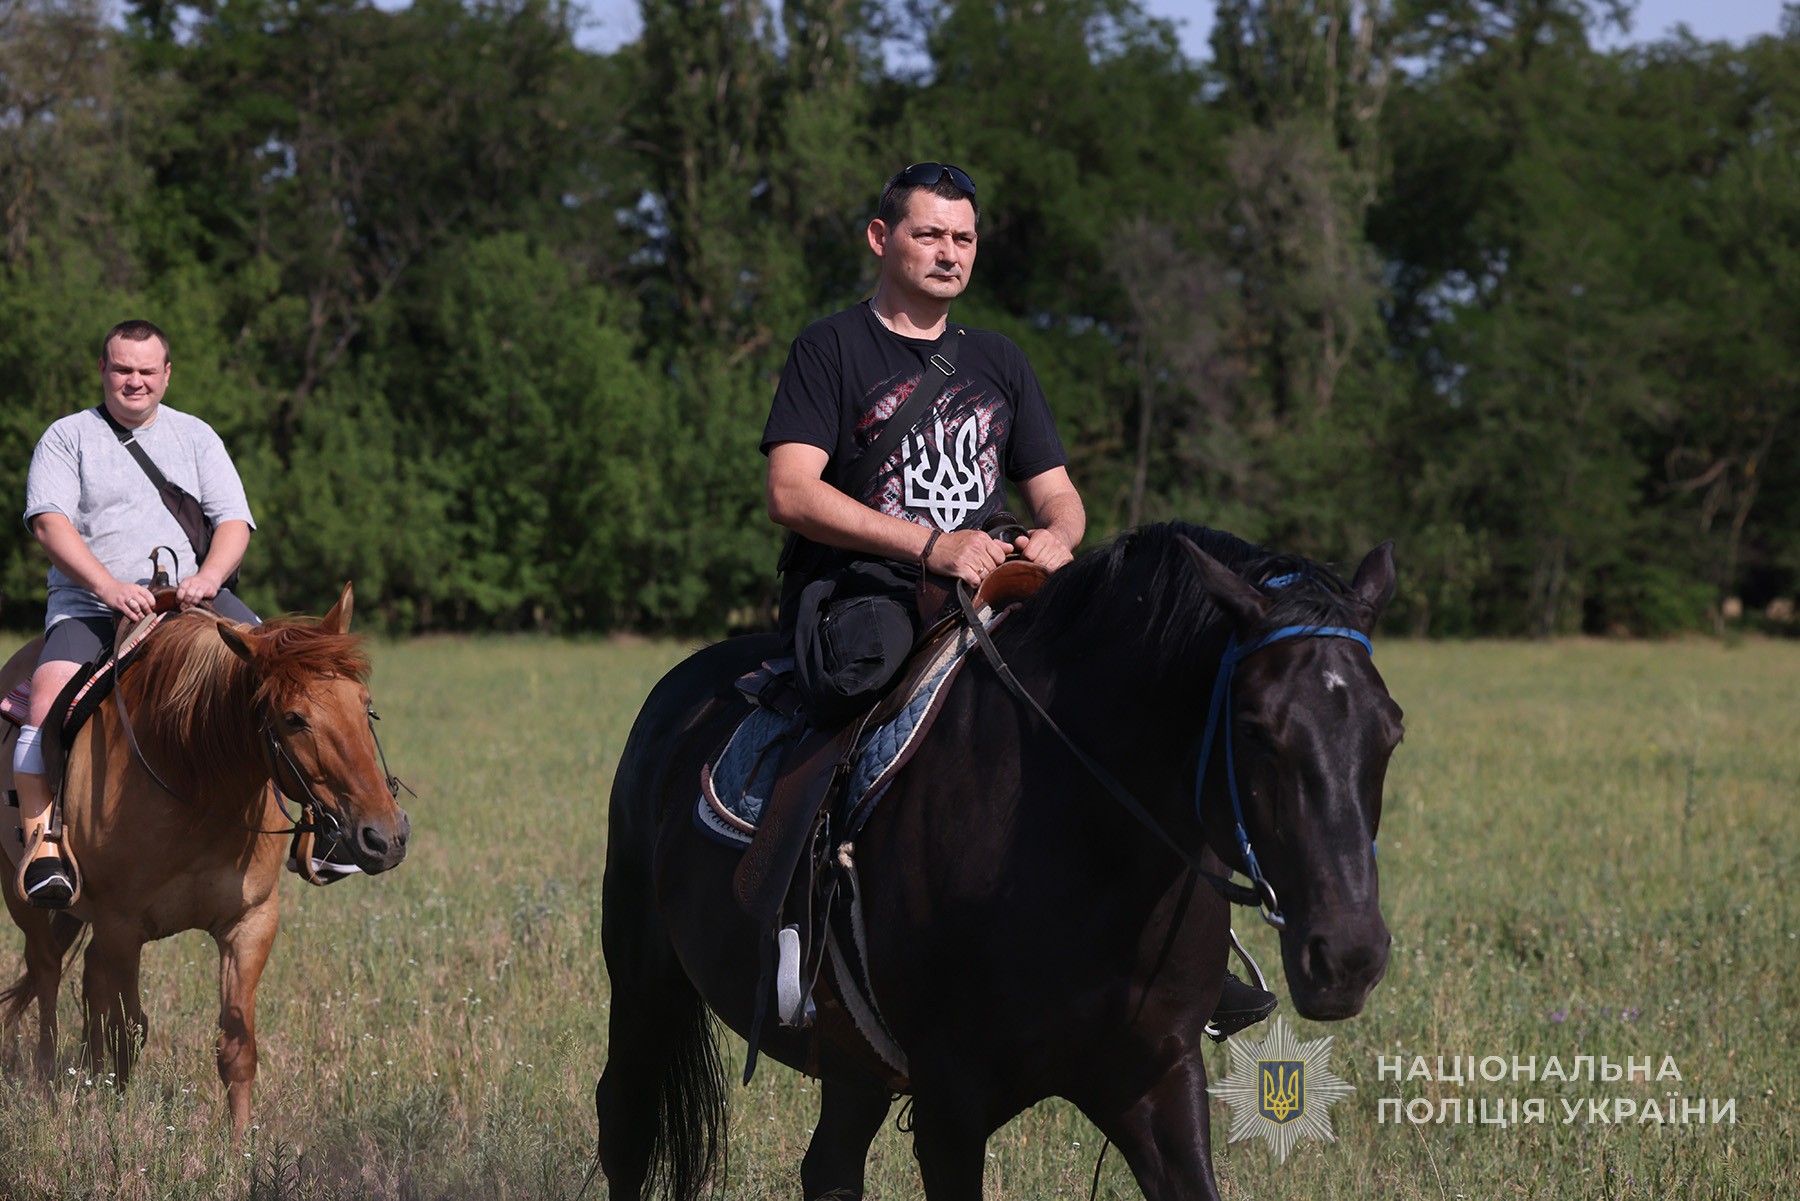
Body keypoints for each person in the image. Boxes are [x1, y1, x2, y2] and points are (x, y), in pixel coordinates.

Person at [759, 163, 1277, 1037]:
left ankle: (1182, 945)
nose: (949, 252)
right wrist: (931, 545)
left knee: (1123, 700)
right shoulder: (831, 347)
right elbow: (792, 491)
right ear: (882, 238)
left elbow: (1060, 494)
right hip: (867, 592)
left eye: (963, 238)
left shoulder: (999, 359)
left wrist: (1058, 538)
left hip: (999, 588)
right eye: (930, 234)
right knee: (863, 680)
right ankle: (809, 918)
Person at [12, 319, 259, 909]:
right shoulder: (67, 437)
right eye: (122, 368)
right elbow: (49, 523)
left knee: (283, 675)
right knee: (45, 700)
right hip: (92, 605)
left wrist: (210, 578)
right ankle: (45, 843)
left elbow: (233, 522)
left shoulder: (197, 436)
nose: (135, 381)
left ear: (167, 374)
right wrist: (108, 587)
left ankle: (317, 830)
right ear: (103, 369)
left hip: (195, 600)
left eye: (147, 370)